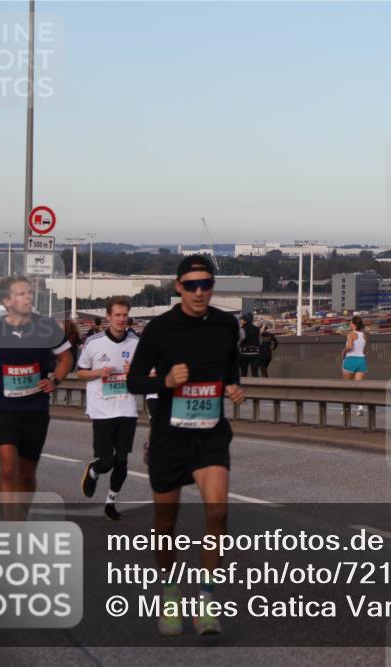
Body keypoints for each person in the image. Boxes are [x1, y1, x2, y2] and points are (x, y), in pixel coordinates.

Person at [127, 255, 245, 637]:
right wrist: (164, 380)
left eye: (206, 285)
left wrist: (232, 387)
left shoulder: (227, 324)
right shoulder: (159, 329)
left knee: (218, 513)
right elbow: (133, 382)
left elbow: (230, 370)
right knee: (166, 524)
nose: (199, 292)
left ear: (213, 286)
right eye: (191, 285)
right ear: (178, 287)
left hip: (210, 433)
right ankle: (171, 593)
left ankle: (206, 600)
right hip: (169, 436)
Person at [0, 276, 73, 509]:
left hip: (35, 409)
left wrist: (55, 379)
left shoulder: (47, 327)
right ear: (7, 301)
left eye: (29, 293)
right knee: (8, 466)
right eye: (21, 293)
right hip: (4, 406)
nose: (28, 297)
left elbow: (66, 358)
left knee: (26, 475)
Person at [77, 296, 141, 521]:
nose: (122, 320)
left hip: (126, 408)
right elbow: (81, 372)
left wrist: (134, 371)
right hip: (102, 410)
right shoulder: (94, 343)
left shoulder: (136, 343)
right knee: (108, 461)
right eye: (117, 315)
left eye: (125, 315)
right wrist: (98, 372)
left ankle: (111, 501)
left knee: (122, 459)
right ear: (108, 317)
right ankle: (94, 470)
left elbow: (146, 374)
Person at [341, 316, 368, 416]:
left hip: (351, 359)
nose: (349, 324)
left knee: (346, 386)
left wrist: (343, 351)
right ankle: (360, 407)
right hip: (361, 360)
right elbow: (365, 351)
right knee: (358, 386)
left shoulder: (351, 334)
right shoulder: (364, 336)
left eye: (350, 322)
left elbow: (350, 346)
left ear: (354, 324)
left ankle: (346, 408)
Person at [239, 312, 261, 377]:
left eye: (242, 319)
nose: (241, 321)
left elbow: (241, 339)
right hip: (255, 353)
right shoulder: (257, 329)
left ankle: (244, 386)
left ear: (246, 320)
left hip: (244, 353)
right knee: (255, 373)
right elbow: (260, 341)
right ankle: (257, 386)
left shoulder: (242, 329)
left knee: (243, 373)